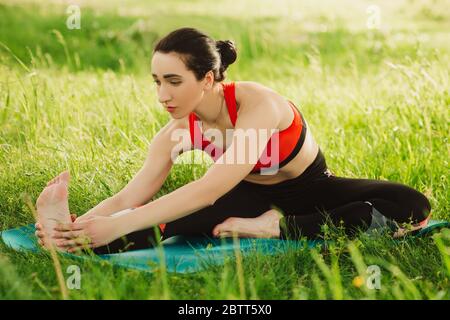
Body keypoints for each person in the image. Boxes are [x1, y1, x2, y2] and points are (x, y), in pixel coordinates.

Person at [35, 27, 431, 254]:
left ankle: (274, 228)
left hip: (312, 190)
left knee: (410, 206)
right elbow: (128, 199)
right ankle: (64, 239)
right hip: (245, 196)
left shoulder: (258, 104)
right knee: (150, 225)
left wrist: (120, 222)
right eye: (157, 82)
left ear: (207, 79)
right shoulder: (175, 133)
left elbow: (209, 189)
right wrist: (81, 225)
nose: (162, 96)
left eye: (174, 82)